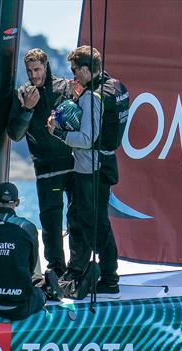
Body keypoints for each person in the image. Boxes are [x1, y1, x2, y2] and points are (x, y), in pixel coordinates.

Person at [46, 45, 130, 297]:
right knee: (97, 222)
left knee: (92, 224)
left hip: (89, 168)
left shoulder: (92, 97)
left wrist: (58, 131)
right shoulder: (116, 86)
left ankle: (108, 278)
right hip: (106, 163)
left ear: (85, 69)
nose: (73, 76)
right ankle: (101, 273)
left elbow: (86, 138)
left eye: (75, 71)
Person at [7, 48, 88, 281]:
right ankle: (56, 270)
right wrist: (27, 110)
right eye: (29, 71)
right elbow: (14, 133)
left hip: (72, 166)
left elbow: (83, 122)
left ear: (46, 66)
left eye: (37, 69)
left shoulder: (65, 88)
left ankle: (77, 269)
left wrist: (76, 99)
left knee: (76, 219)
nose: (33, 75)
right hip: (46, 170)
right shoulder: (22, 94)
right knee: (51, 222)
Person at [0, 182, 46, 320]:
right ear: (17, 202)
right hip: (15, 306)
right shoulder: (28, 227)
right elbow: (31, 266)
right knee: (41, 294)